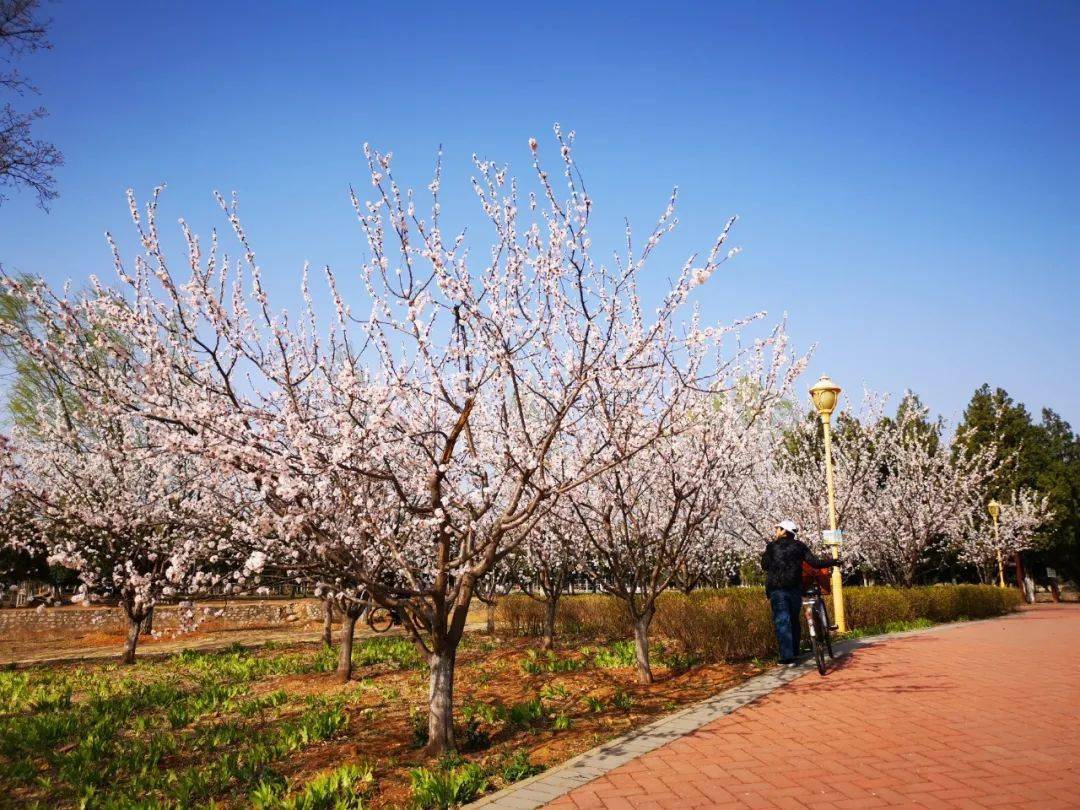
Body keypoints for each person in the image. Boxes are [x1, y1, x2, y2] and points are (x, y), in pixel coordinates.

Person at [761, 520, 839, 666]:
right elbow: (814, 563)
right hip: (795, 589)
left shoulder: (771, 547)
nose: (776, 531)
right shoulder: (800, 546)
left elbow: (764, 566)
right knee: (794, 620)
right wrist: (832, 562)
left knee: (782, 621)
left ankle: (787, 657)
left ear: (784, 531)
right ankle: (795, 652)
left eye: (778, 528)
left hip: (778, 589)